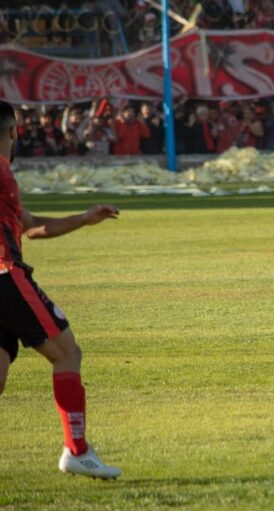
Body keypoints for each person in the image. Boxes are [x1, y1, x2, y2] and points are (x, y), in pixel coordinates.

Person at [0, 100, 121, 479]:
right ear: (13, 132)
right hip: (5, 275)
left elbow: (31, 225)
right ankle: (77, 451)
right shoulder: (1, 171)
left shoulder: (5, 177)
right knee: (67, 353)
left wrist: (83, 219)